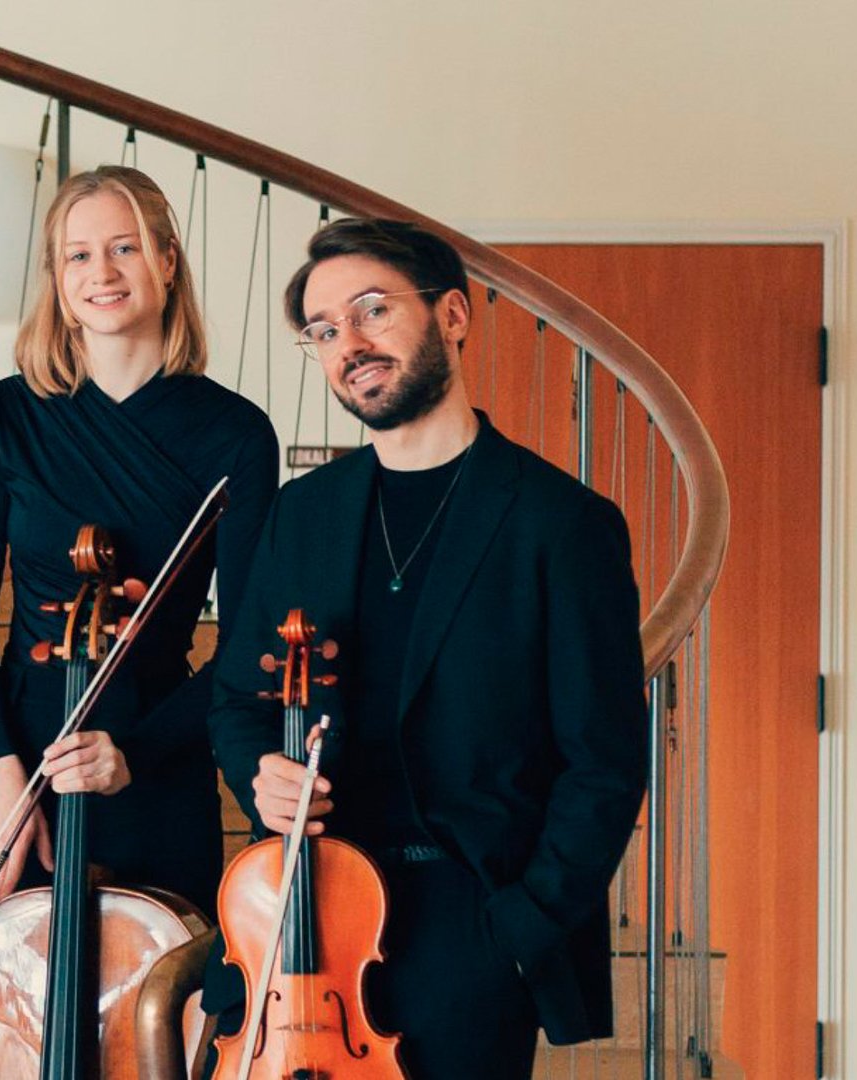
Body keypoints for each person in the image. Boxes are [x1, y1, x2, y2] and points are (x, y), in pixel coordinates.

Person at [204, 217, 648, 1077]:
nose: (350, 345)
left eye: (373, 311)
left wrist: (516, 930)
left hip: (471, 916)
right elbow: (236, 702)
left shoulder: (563, 525)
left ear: (452, 314)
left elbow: (605, 762)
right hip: (315, 905)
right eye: (325, 331)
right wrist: (262, 774)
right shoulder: (304, 514)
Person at [0, 165, 278, 930]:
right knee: (7, 1019)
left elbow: (248, 640)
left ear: (166, 260)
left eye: (123, 248)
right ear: (57, 278)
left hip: (156, 751)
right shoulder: (9, 415)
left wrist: (135, 751)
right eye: (78, 255)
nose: (102, 272)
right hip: (20, 749)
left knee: (160, 1020)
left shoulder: (234, 432)